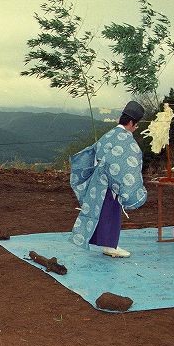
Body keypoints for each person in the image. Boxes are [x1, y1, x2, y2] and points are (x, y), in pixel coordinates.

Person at [69, 101, 148, 258]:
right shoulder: (127, 141)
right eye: (136, 125)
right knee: (110, 214)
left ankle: (108, 245)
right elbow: (130, 165)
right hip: (112, 183)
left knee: (101, 212)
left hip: (98, 182)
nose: (135, 128)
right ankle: (110, 247)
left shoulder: (109, 134)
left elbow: (94, 151)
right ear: (131, 122)